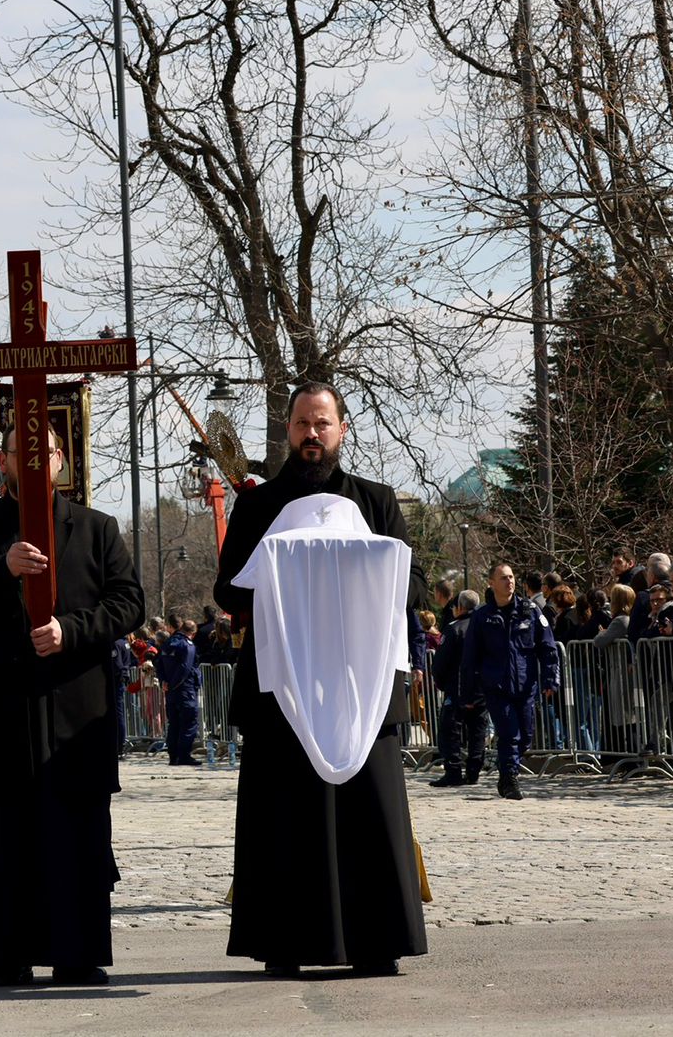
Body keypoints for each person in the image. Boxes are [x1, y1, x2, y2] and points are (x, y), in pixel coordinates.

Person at [213, 383, 427, 979]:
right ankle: (284, 943)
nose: (313, 434)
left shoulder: (377, 501)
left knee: (368, 813)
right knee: (285, 818)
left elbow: (411, 585)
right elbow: (227, 587)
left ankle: (376, 940)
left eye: (323, 422)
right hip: (281, 690)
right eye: (303, 423)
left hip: (361, 687)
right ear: (288, 430)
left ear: (342, 429)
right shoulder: (257, 506)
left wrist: (358, 564)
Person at [0, 423, 144, 987]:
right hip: (1, 709)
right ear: (3, 462)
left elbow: (129, 603)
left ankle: (78, 953)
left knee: (75, 831)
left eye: (42, 452)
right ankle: (7, 952)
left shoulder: (97, 529)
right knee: (7, 833)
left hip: (76, 711)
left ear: (59, 460)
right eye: (19, 454)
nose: (31, 462)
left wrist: (70, 631)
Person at [461, 563, 561, 800]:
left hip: (525, 685)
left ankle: (507, 773)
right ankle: (509, 779)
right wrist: (467, 693)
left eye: (512, 577)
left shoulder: (530, 611)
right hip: (496, 686)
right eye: (503, 578)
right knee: (509, 733)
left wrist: (550, 678)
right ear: (491, 583)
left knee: (525, 735)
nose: (509, 582)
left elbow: (548, 646)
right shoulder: (482, 617)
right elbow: (469, 657)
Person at [428, 590, 485, 787]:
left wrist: (443, 684)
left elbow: (440, 663)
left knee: (449, 731)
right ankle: (473, 772)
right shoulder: (484, 628)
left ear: (460, 607)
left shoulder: (454, 629)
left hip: (458, 689)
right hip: (481, 690)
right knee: (477, 732)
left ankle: (453, 771)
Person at [154, 614, 201, 767]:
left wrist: (164, 681)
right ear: (193, 633)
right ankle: (183, 755)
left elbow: (159, 663)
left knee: (174, 724)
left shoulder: (168, 643)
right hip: (184, 689)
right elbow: (185, 668)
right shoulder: (187, 645)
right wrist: (173, 683)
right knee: (188, 722)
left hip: (171, 690)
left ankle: (173, 756)